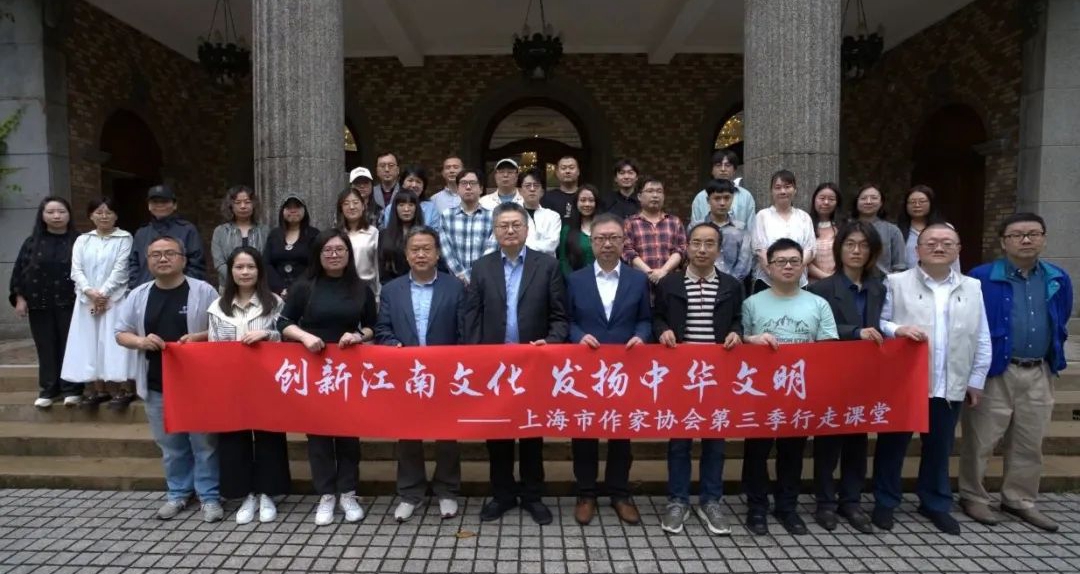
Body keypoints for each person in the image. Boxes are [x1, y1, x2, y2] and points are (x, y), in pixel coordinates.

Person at [874, 223, 991, 535]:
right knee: (892, 446)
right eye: (931, 243)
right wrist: (897, 329)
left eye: (947, 243)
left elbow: (981, 335)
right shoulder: (895, 282)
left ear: (958, 249)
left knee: (939, 447)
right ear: (917, 250)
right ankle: (885, 501)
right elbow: (879, 321)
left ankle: (935, 503)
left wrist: (977, 378)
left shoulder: (972, 287)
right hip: (905, 383)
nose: (939, 248)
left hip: (949, 381)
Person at [960, 213, 1072, 532]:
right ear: (1003, 242)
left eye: (1033, 234)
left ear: (1044, 238)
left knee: (1029, 440)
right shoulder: (982, 277)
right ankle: (973, 495)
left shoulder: (1057, 277)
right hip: (996, 370)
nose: (1025, 240)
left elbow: (1061, 316)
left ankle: (1019, 498)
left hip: (1038, 369)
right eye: (1017, 235)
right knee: (981, 438)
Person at [464, 202, 568, 525]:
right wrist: (477, 355)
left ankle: (533, 495)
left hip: (533, 364)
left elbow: (560, 316)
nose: (509, 231)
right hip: (494, 367)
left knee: (532, 432)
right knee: (497, 433)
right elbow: (472, 316)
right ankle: (503, 494)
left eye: (515, 225)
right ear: (494, 231)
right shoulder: (481, 267)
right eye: (503, 226)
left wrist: (551, 343)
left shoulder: (547, 266)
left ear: (526, 229)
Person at [115, 235, 220, 521]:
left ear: (183, 259)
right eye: (155, 254)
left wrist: (198, 337)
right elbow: (120, 333)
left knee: (205, 444)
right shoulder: (138, 295)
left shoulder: (204, 291)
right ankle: (178, 493)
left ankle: (209, 495)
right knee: (171, 446)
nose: (162, 259)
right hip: (156, 382)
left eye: (170, 253)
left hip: (198, 383)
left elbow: (222, 329)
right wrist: (141, 341)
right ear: (147, 261)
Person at [278, 229, 377, 526]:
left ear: (348, 253)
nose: (334, 255)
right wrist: (304, 337)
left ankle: (348, 492)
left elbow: (372, 326)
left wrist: (358, 335)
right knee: (318, 436)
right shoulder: (304, 286)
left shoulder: (361, 288)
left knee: (348, 435)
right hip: (314, 369)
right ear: (318, 255)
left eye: (339, 250)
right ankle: (326, 495)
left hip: (348, 372)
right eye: (327, 250)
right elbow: (284, 322)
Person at [741, 238, 838, 535]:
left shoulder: (818, 304)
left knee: (792, 452)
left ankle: (787, 507)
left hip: (799, 391)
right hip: (760, 392)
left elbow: (829, 347)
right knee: (756, 452)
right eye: (780, 261)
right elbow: (739, 342)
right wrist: (751, 340)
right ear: (768, 267)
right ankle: (757, 507)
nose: (787, 266)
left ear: (803, 266)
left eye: (794, 261)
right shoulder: (752, 303)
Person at [653, 222, 744, 536]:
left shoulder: (731, 285)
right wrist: (662, 330)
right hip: (681, 376)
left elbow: (738, 319)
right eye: (696, 243)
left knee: (715, 441)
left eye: (709, 244)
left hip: (717, 376)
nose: (702, 250)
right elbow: (657, 316)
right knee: (679, 441)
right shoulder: (670, 284)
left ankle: (711, 500)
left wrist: (737, 333)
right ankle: (677, 500)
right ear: (687, 247)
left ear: (718, 249)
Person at [375, 226, 465, 522]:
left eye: (427, 249)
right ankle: (410, 492)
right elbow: (382, 329)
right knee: (408, 433)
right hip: (407, 374)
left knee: (447, 434)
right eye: (415, 249)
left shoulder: (455, 287)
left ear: (438, 254)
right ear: (406, 255)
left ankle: (447, 490)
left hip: (446, 373)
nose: (421, 254)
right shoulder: (392, 290)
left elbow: (464, 331)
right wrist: (394, 346)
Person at [565, 213, 651, 527]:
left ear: (623, 241)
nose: (607, 244)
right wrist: (578, 336)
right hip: (586, 368)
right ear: (592, 243)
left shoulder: (637, 279)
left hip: (625, 368)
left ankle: (619, 493)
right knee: (585, 433)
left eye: (614, 238)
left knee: (621, 433)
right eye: (600, 238)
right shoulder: (575, 279)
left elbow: (645, 319)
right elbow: (567, 320)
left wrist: (641, 336)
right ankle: (586, 493)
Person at [806, 221, 885, 534]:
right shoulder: (821, 289)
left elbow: (886, 324)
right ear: (839, 250)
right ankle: (825, 502)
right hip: (832, 376)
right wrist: (855, 332)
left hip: (866, 376)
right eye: (850, 244)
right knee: (828, 443)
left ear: (872, 251)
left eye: (863, 245)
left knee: (858, 441)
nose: (856, 251)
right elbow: (814, 330)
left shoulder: (879, 287)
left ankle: (851, 501)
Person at [207, 246, 289, 525]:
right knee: (234, 439)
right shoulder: (217, 307)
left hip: (267, 383)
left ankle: (268, 493)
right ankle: (245, 495)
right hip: (231, 384)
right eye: (239, 267)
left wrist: (268, 334)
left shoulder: (274, 302)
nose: (245, 272)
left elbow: (286, 337)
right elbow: (213, 345)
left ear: (260, 271)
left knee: (269, 437)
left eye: (251, 267)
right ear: (230, 271)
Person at [61, 198, 137, 409]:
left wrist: (103, 294)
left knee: (115, 343)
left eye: (109, 212)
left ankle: (124, 388)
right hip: (87, 301)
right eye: (99, 212)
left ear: (116, 215)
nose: (104, 216)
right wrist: (90, 292)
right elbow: (76, 270)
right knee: (90, 343)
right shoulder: (83, 240)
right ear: (91, 216)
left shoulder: (124, 238)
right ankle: (98, 389)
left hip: (115, 300)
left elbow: (121, 269)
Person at [9, 197, 80, 408]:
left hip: (71, 302)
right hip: (39, 302)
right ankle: (49, 389)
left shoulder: (80, 241)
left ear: (69, 214)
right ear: (42, 215)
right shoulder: (32, 242)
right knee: (45, 346)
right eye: (50, 212)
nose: (56, 216)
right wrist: (20, 298)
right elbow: (19, 272)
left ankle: (72, 389)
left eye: (61, 211)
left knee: (70, 345)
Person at [750, 170, 816, 292]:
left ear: (795, 190)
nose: (783, 191)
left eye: (787, 187)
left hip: (798, 283)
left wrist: (795, 271)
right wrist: (775, 274)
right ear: (771, 191)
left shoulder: (804, 217)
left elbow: (810, 249)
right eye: (778, 187)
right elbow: (760, 250)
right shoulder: (762, 216)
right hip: (768, 282)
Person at [128, 185, 206, 288]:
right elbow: (134, 264)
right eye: (155, 202)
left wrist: (184, 287)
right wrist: (136, 285)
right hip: (146, 290)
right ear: (149, 206)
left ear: (174, 205)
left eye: (164, 201)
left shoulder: (187, 230)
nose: (160, 205)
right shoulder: (141, 233)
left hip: (180, 290)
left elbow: (196, 264)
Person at [622, 176, 688, 285]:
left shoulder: (674, 222)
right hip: (639, 282)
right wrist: (649, 272)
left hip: (670, 281)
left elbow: (682, 249)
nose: (655, 195)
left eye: (659, 191)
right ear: (639, 196)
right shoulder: (630, 223)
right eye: (650, 191)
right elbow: (627, 251)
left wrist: (663, 271)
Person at [440, 168, 496, 285]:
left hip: (483, 281)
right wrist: (460, 275)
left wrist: (471, 276)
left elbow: (491, 250)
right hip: (455, 282)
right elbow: (446, 251)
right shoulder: (447, 216)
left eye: (473, 183)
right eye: (464, 183)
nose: (468, 187)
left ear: (481, 189)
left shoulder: (492, 217)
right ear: (457, 189)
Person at [210, 185, 270, 286]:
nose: (243, 206)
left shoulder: (264, 231)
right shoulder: (221, 231)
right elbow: (219, 262)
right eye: (237, 202)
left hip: (259, 285)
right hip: (228, 286)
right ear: (230, 206)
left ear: (254, 205)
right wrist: (235, 278)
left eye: (247, 202)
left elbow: (267, 260)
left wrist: (255, 278)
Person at [263, 195, 320, 297]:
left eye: (297, 207)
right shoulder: (274, 234)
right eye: (288, 207)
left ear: (304, 210)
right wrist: (280, 288)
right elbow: (266, 264)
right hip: (276, 294)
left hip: (306, 291)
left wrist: (294, 289)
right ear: (282, 211)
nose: (293, 210)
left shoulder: (314, 234)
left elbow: (315, 265)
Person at [700, 179, 752, 282]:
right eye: (717, 198)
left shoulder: (741, 228)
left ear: (732, 199)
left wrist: (729, 284)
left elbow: (744, 262)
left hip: (734, 285)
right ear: (708, 200)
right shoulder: (697, 227)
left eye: (727, 198)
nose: (722, 203)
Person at [689, 149, 757, 228]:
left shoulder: (746, 196)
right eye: (718, 165)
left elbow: (751, 228)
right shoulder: (700, 197)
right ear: (712, 170)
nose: (723, 169)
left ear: (734, 170)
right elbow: (695, 228)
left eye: (727, 165)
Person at [850, 184, 907, 275]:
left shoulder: (892, 230)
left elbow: (899, 266)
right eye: (863, 198)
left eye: (874, 198)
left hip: (883, 281)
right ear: (856, 202)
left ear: (881, 203)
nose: (868, 202)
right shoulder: (845, 228)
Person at [335, 186, 380, 296]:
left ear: (363, 206)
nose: (351, 207)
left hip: (367, 288)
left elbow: (377, 265)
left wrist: (378, 294)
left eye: (355, 202)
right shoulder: (335, 234)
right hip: (340, 287)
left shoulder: (373, 233)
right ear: (341, 209)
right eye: (346, 204)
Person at [378, 189, 425, 285]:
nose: (406, 209)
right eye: (401, 205)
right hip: (392, 285)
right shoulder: (384, 235)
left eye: (411, 205)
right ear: (395, 208)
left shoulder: (426, 234)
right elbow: (382, 268)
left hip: (421, 284)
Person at [897, 184, 946, 270]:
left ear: (931, 203)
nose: (917, 205)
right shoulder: (896, 230)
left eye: (922, 201)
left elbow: (953, 258)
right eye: (912, 202)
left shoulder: (945, 229)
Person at [380, 165, 441, 230]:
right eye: (410, 180)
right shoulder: (391, 208)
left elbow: (434, 233)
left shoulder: (431, 208)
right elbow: (389, 232)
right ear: (402, 183)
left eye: (418, 182)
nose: (414, 185)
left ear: (423, 186)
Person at [518, 168, 563, 256]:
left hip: (547, 263)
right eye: (528, 185)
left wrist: (523, 245)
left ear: (542, 192)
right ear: (520, 191)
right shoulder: (512, 215)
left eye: (536, 185)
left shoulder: (553, 216)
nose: (532, 189)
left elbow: (552, 245)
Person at [557, 185, 599, 276]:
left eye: (591, 200)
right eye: (583, 200)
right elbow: (563, 260)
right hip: (575, 279)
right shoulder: (567, 230)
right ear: (576, 203)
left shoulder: (604, 227)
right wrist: (572, 280)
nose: (587, 204)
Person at [807, 183, 841, 282]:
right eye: (822, 198)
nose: (826, 202)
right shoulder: (805, 224)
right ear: (814, 200)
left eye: (831, 199)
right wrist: (827, 278)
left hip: (840, 281)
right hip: (813, 284)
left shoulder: (844, 226)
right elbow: (802, 258)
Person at [540, 155, 581, 221]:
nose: (567, 171)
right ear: (557, 173)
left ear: (578, 171)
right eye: (563, 168)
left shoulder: (586, 197)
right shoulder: (547, 198)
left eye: (571, 168)